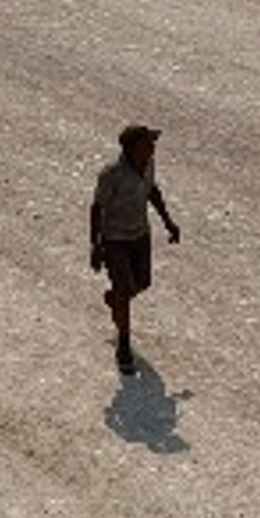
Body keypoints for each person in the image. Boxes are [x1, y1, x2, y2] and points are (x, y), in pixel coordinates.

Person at [87, 124, 183, 375]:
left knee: (142, 282)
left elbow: (152, 191)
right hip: (115, 239)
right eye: (147, 143)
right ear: (131, 147)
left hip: (140, 235)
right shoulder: (112, 174)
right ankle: (124, 345)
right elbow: (97, 208)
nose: (152, 148)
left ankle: (116, 300)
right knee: (123, 287)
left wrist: (168, 221)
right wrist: (95, 245)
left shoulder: (148, 164)